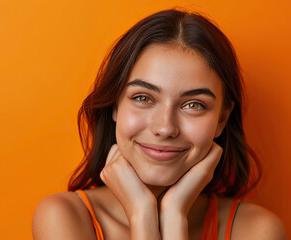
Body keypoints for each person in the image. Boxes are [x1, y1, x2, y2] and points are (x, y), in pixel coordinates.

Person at [32, 8, 286, 240]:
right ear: (115, 106)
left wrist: (174, 217)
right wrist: (142, 214)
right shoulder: (65, 218)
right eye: (143, 98)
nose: (165, 128)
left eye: (193, 105)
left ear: (221, 118)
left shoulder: (257, 231)